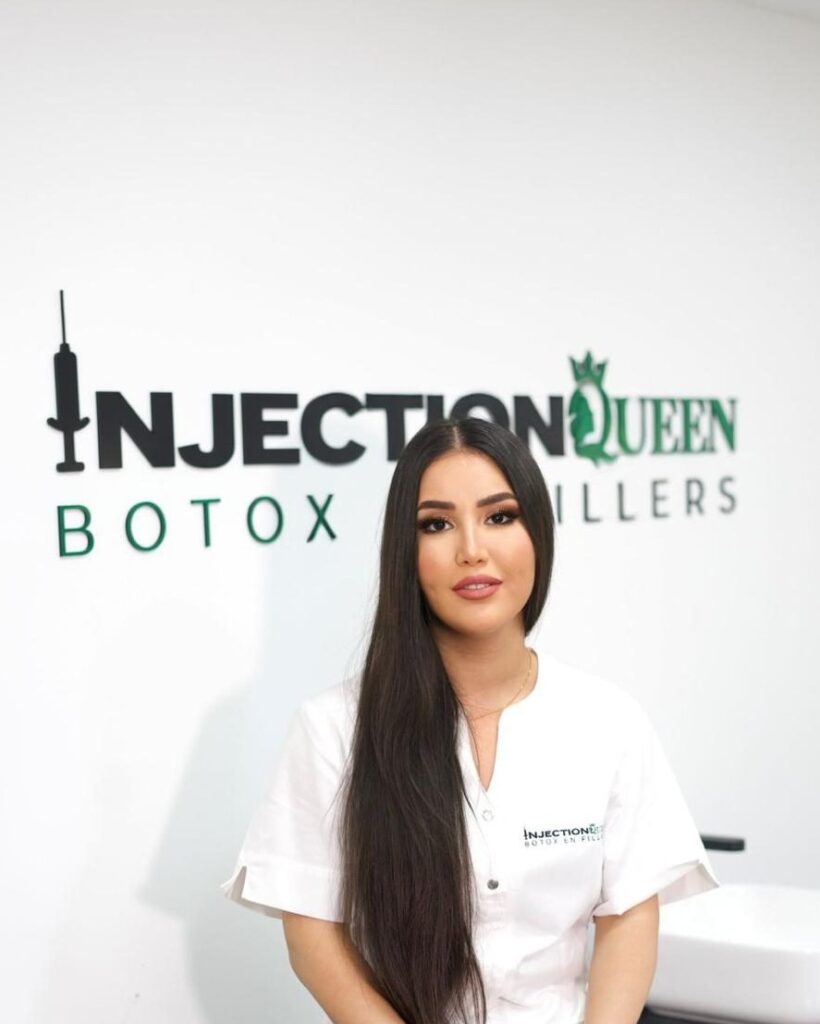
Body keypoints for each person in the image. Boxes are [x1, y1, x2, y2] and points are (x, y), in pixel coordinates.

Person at [221, 416, 719, 1024]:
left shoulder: (608, 721)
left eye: (500, 516)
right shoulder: (333, 729)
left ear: (538, 533)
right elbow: (313, 938)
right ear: (405, 553)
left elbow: (630, 916)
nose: (472, 550)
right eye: (436, 524)